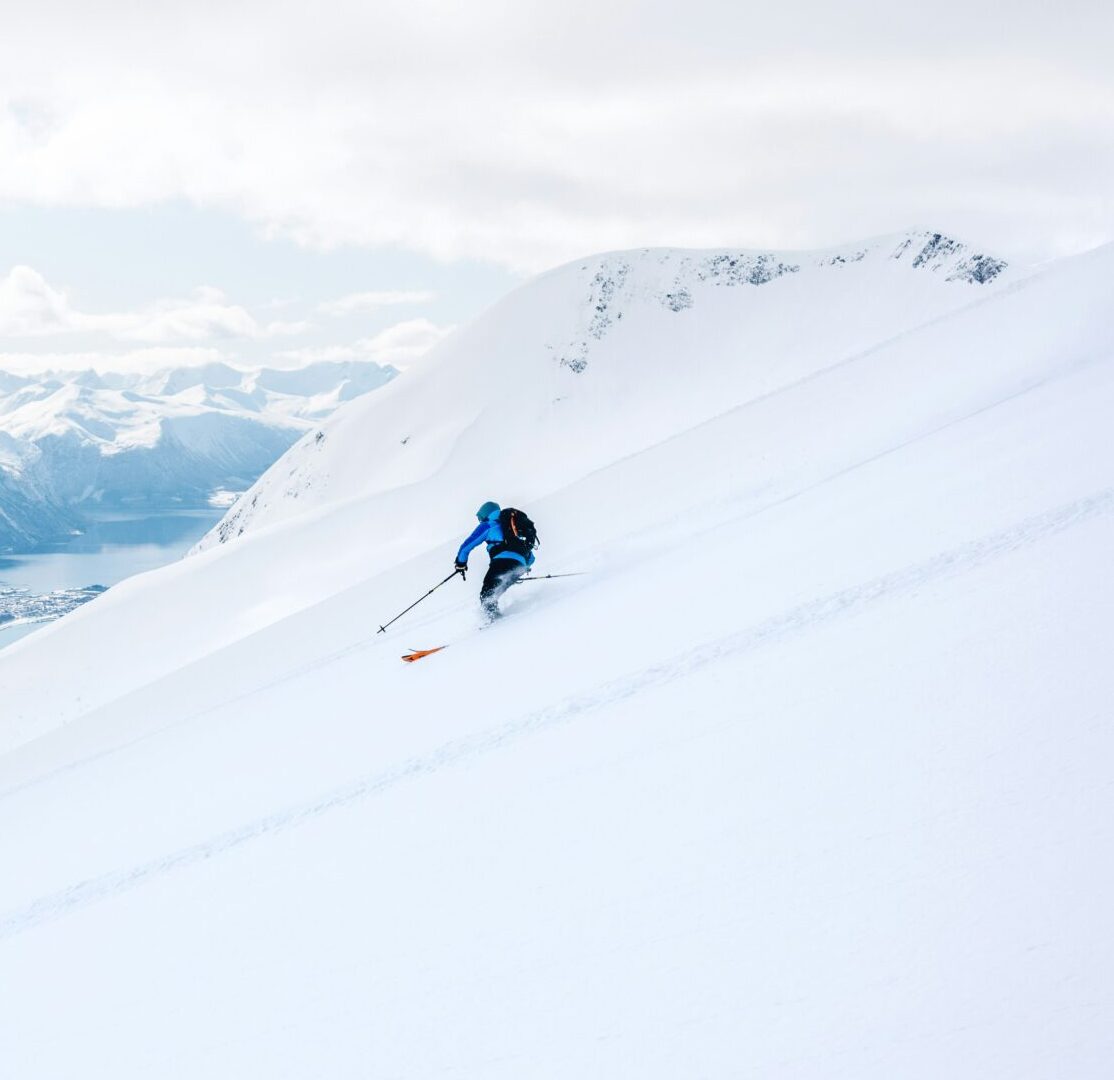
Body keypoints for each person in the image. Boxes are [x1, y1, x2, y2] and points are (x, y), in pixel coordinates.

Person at [455, 501, 536, 620]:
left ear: (486, 514)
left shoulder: (488, 525)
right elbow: (530, 557)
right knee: (493, 594)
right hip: (520, 565)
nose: (480, 520)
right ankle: (496, 621)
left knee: (487, 596)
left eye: (480, 517)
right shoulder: (513, 527)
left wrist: (460, 563)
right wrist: (520, 567)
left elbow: (467, 546)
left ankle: (494, 626)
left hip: (502, 563)